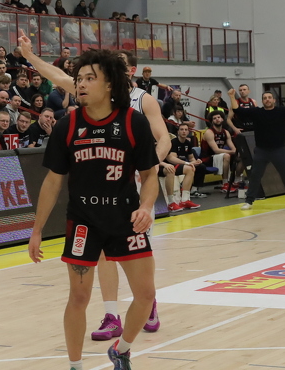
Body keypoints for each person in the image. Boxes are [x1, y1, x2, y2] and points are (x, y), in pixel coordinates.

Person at [19, 35, 171, 344]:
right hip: (92, 200)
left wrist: (148, 165)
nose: (84, 82)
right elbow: (58, 76)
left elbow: (164, 138)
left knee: (140, 274)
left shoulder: (143, 101)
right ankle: (112, 314)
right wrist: (30, 57)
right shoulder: (86, 95)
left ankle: (147, 304)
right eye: (82, 77)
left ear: (125, 72)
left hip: (134, 189)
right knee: (102, 257)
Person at [160, 123, 200, 212]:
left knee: (191, 169)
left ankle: (185, 200)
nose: (184, 131)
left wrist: (194, 162)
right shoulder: (173, 142)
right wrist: (187, 163)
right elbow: (170, 159)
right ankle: (171, 203)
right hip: (161, 166)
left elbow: (191, 158)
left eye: (186, 130)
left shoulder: (187, 143)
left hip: (173, 164)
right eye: (181, 129)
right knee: (171, 169)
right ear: (178, 132)